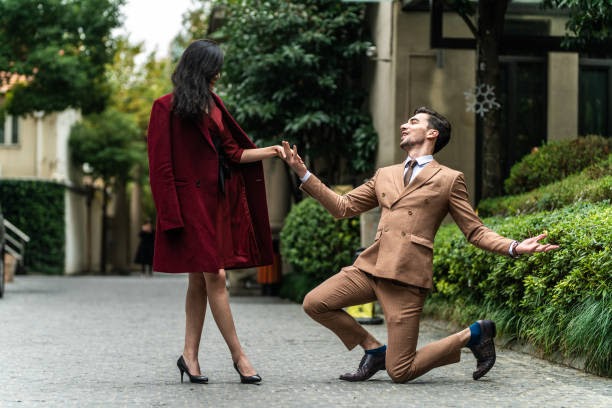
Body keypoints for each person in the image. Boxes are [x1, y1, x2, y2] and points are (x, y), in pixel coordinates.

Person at [279, 107, 559, 383]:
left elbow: (474, 230)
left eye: (413, 121)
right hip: (371, 267)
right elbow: (343, 206)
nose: (404, 125)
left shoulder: (449, 179)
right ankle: (373, 349)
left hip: (406, 277)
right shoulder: (385, 174)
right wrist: (304, 173)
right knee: (315, 303)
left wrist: (514, 246)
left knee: (400, 371)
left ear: (432, 133)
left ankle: (474, 334)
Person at [147, 39, 284, 385]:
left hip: (216, 204)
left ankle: (189, 357)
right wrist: (170, 215)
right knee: (217, 276)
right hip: (188, 206)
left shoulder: (215, 104)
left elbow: (234, 154)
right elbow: (160, 167)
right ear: (201, 68)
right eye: (215, 68)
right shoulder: (164, 108)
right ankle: (240, 357)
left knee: (200, 278)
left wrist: (271, 151)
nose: (219, 74)